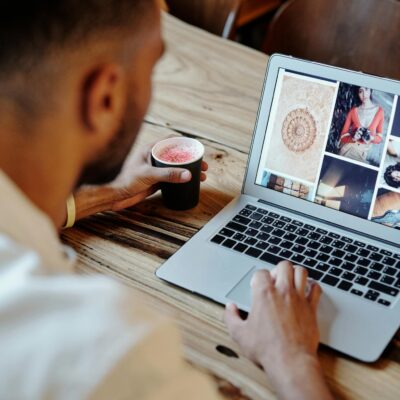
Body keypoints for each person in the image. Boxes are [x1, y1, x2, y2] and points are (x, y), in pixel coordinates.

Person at [0, 1, 333, 399]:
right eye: (152, 64)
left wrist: (94, 198)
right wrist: (293, 360)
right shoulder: (111, 356)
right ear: (106, 98)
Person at [339, 86, 384, 163]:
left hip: (362, 153)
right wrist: (353, 138)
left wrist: (371, 138)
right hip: (347, 149)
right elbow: (342, 136)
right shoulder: (353, 111)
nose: (364, 94)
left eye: (366, 89)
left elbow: (379, 138)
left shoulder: (380, 111)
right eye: (360, 91)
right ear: (358, 94)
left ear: (371, 91)